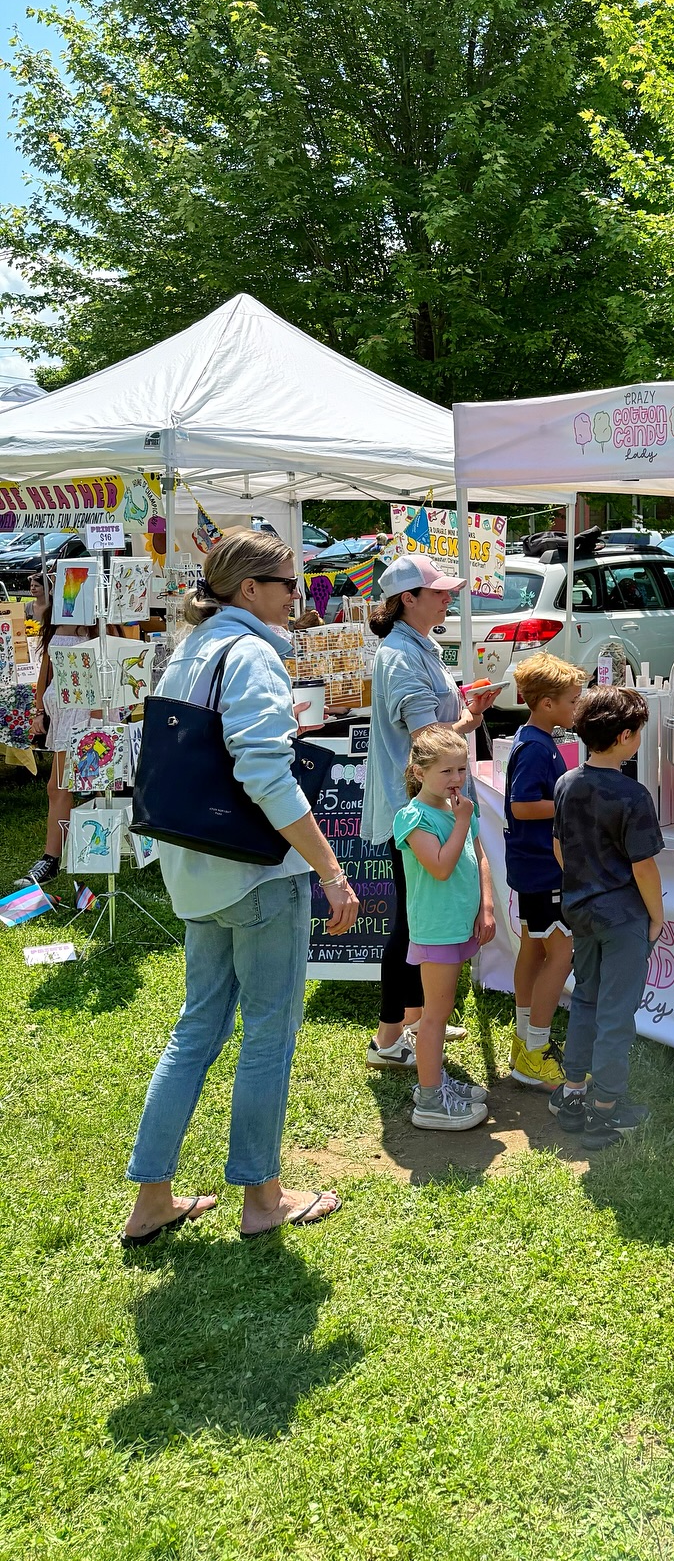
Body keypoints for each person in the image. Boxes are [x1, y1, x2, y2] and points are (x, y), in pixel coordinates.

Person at [122, 530, 361, 1243]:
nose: (299, 593)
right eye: (290, 582)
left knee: (197, 1029)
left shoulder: (187, 648)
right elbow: (263, 772)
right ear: (250, 589)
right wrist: (330, 868)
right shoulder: (251, 652)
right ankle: (263, 1199)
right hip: (254, 873)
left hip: (196, 869)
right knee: (267, 1035)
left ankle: (152, 1201)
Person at [360, 553, 500, 1071]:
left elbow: (431, 727)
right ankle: (389, 1035)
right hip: (414, 810)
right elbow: (427, 742)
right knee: (410, 925)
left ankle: (415, 1024)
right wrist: (467, 717)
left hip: (429, 805)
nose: (449, 597)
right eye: (439, 592)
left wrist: (467, 709)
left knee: (417, 921)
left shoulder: (418, 646)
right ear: (407, 600)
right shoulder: (401, 654)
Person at [550, 687, 665, 1151]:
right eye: (637, 732)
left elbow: (559, 847)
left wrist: (582, 882)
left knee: (586, 1000)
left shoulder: (566, 783)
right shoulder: (632, 795)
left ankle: (573, 1092)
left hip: (581, 911)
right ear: (624, 737)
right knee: (617, 1012)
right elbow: (644, 866)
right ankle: (606, 1108)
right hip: (622, 918)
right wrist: (656, 916)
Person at [392, 724, 496, 1131]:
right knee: (434, 1016)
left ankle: (433, 1082)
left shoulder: (455, 810)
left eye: (461, 769)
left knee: (444, 1006)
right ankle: (431, 1100)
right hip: (436, 929)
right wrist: (461, 819)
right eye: (446, 772)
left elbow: (479, 853)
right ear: (419, 773)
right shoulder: (413, 817)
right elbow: (439, 867)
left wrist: (485, 906)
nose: (456, 780)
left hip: (458, 924)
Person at [503, 650, 586, 1088]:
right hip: (542, 868)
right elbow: (520, 804)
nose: (577, 708)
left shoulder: (535, 739)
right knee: (562, 952)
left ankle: (525, 1042)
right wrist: (570, 803)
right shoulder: (537, 746)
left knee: (533, 949)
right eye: (572, 701)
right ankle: (535, 1050)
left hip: (530, 867)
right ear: (546, 703)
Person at [21, 547, 97, 888]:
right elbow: (47, 668)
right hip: (64, 710)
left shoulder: (99, 619)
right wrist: (39, 709)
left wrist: (99, 716)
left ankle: (62, 857)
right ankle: (54, 858)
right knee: (60, 787)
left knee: (72, 786)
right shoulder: (57, 617)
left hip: (88, 711)